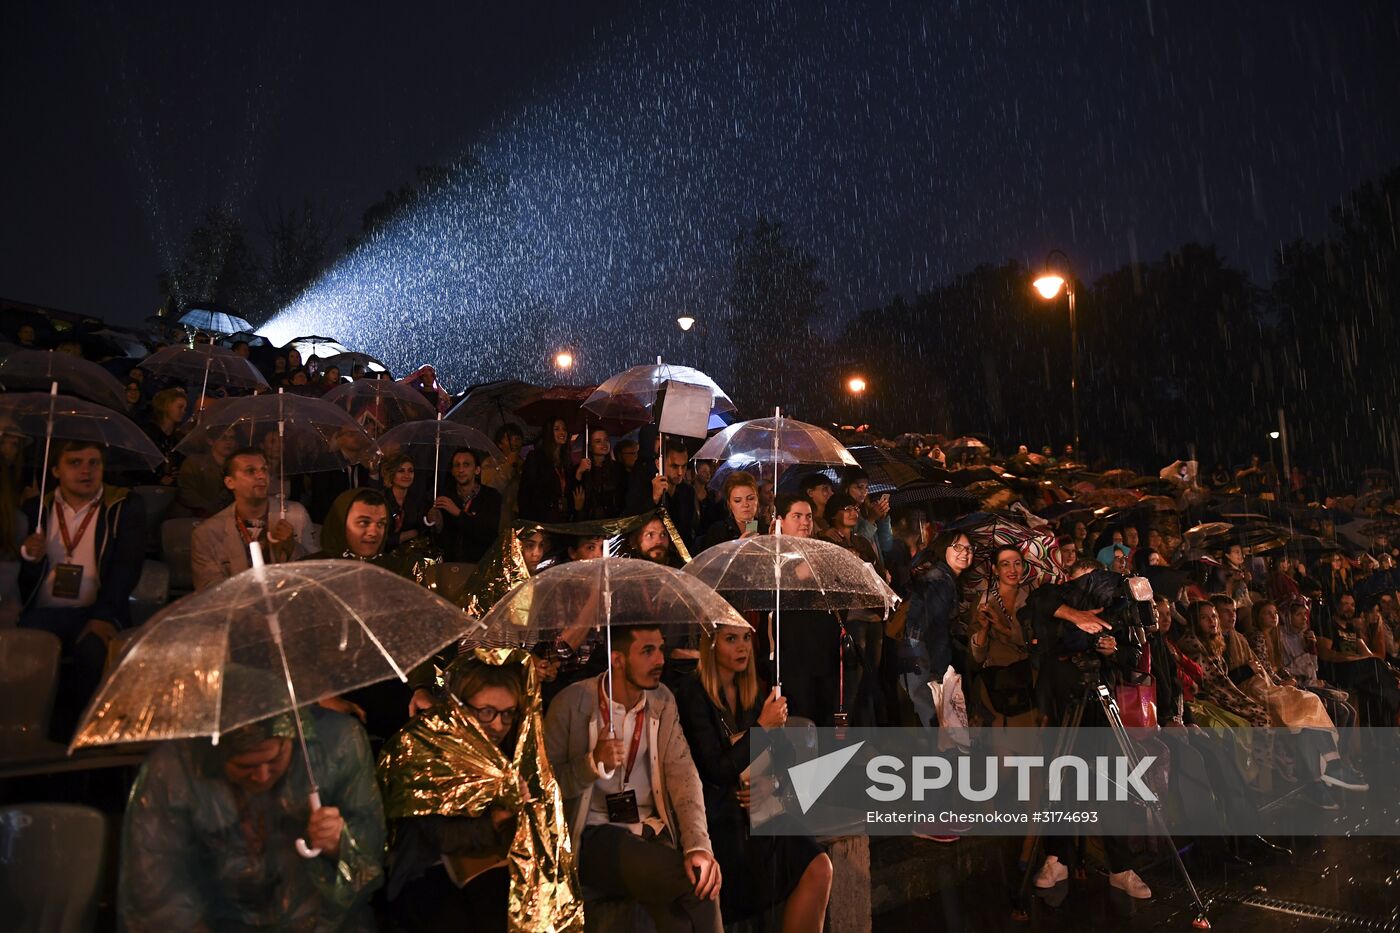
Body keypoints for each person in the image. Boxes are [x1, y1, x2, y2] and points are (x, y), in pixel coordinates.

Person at [119, 711, 385, 932]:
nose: (261, 776)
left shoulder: (336, 743)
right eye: (245, 766)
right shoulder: (175, 766)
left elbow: (369, 865)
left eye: (274, 760)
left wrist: (339, 844)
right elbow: (155, 881)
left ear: (290, 738)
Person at [381, 650, 583, 933]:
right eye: (487, 712)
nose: (498, 724)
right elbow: (435, 835)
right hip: (427, 868)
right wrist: (496, 819)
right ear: (461, 705)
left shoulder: (505, 749)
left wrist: (518, 806)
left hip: (486, 862)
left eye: (508, 714)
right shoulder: (424, 744)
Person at [543, 624, 723, 933]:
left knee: (679, 918)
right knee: (696, 883)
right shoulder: (570, 704)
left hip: (649, 831)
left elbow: (683, 774)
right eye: (647, 651)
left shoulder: (662, 700)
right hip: (595, 836)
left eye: (661, 649)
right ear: (618, 659)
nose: (660, 661)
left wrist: (698, 845)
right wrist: (591, 764)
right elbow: (546, 789)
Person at [672, 626, 833, 930]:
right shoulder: (693, 694)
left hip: (761, 810)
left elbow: (786, 756)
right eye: (731, 639)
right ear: (711, 644)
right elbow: (715, 771)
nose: (742, 648)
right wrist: (761, 728)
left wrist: (771, 783)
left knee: (818, 865)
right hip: (719, 818)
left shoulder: (755, 692)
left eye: (746, 638)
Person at [18, 440, 147, 736]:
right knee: (24, 654)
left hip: (97, 610)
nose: (86, 470)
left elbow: (127, 568)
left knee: (92, 655)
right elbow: (23, 582)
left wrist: (103, 614)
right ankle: (29, 738)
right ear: (56, 470)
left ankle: (86, 743)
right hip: (44, 611)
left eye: (94, 463)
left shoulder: (123, 505)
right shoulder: (37, 509)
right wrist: (30, 557)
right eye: (75, 463)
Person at [191, 448, 310, 591]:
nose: (261, 475)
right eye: (250, 471)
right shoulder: (208, 533)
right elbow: (209, 591)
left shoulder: (295, 515)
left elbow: (317, 571)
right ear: (230, 482)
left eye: (264, 469)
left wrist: (292, 548)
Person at [897, 529, 973, 728]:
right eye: (957, 547)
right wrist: (940, 671)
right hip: (922, 654)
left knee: (931, 715)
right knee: (934, 717)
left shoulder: (944, 577)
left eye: (968, 548)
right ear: (943, 549)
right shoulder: (940, 580)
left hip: (915, 652)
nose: (964, 553)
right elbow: (935, 627)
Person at [967, 546, 1038, 727]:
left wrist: (1002, 628)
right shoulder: (982, 603)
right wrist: (984, 629)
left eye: (1017, 564)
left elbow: (1035, 643)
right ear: (995, 569)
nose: (1012, 570)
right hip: (995, 684)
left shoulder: (1032, 599)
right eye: (1005, 564)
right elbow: (977, 656)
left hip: (1027, 681)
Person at [428, 447, 502, 563]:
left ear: (477, 470)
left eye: (466, 465)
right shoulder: (445, 495)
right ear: (452, 471)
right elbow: (439, 540)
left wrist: (458, 513)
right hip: (449, 565)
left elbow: (488, 533)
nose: (460, 470)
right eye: (456, 465)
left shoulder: (491, 496)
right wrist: (435, 524)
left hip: (479, 565)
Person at [629, 440, 700, 551]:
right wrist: (654, 498)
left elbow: (689, 528)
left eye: (684, 466)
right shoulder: (643, 487)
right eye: (674, 466)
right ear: (658, 464)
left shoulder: (687, 491)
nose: (680, 472)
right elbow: (630, 521)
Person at [172, 428, 238, 519]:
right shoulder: (194, 462)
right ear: (210, 441)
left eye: (232, 438)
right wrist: (209, 507)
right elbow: (185, 492)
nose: (229, 442)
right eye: (223, 438)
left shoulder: (236, 466)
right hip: (193, 517)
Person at [518, 419, 573, 524]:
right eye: (556, 429)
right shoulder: (536, 457)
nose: (562, 432)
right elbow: (525, 493)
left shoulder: (566, 462)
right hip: (541, 519)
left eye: (564, 429)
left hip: (563, 519)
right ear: (548, 433)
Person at [574, 428, 629, 521]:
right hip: (588, 521)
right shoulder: (580, 469)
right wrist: (579, 472)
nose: (604, 444)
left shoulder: (618, 468)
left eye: (606, 440)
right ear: (590, 446)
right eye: (598, 441)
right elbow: (576, 495)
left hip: (614, 519)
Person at [379, 452, 429, 551]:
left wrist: (430, 521)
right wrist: (403, 536)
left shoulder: (417, 499)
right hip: (384, 555)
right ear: (392, 474)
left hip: (410, 554)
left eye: (410, 471)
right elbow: (378, 537)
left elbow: (422, 530)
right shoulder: (381, 499)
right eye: (401, 471)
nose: (407, 475)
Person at [699, 472, 760, 551]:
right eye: (737, 500)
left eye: (751, 498)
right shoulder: (718, 531)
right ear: (729, 504)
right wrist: (737, 548)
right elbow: (711, 561)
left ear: (757, 499)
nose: (745, 504)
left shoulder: (764, 528)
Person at [142, 387, 188, 486]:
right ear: (166, 406)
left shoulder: (178, 437)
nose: (183, 412)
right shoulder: (149, 433)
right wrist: (158, 479)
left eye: (184, 408)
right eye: (180, 407)